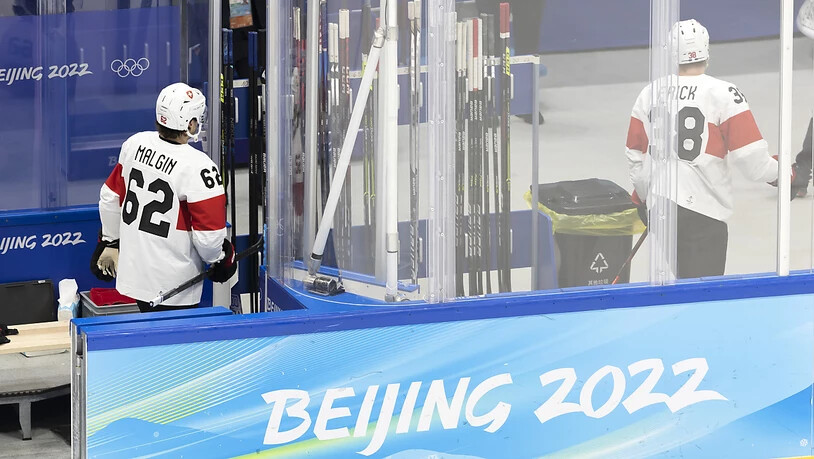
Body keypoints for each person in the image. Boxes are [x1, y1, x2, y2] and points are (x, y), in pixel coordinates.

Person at [625, 19, 800, 279]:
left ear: (672, 54)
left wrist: (644, 194)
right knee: (701, 296)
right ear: (707, 50)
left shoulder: (650, 93)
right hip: (702, 214)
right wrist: (785, 175)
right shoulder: (725, 94)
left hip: (660, 206)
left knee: (683, 283)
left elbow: (635, 156)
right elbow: (752, 161)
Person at [91, 82, 236, 312]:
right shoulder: (200, 167)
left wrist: (111, 241)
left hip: (135, 276)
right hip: (175, 284)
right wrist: (220, 257)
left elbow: (110, 197)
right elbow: (209, 238)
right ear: (190, 123)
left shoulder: (135, 143)